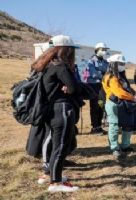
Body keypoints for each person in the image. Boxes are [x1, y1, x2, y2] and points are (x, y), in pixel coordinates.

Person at [31, 35, 81, 192]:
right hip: (62, 111)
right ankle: (56, 183)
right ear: (66, 50)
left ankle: (51, 175)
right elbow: (74, 88)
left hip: (50, 110)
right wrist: (68, 88)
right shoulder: (60, 66)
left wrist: (66, 87)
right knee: (60, 146)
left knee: (54, 143)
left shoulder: (45, 64)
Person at [103, 54, 136, 158]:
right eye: (120, 63)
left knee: (128, 125)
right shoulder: (110, 77)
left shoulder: (120, 75)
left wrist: (134, 92)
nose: (122, 65)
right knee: (114, 126)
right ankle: (114, 148)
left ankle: (125, 146)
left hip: (125, 104)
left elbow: (125, 87)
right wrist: (133, 98)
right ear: (113, 64)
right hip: (113, 104)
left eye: (123, 63)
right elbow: (119, 92)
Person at [87, 42, 110, 134]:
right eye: (103, 50)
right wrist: (103, 74)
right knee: (94, 107)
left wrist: (101, 73)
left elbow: (109, 72)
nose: (104, 51)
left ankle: (99, 126)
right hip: (94, 87)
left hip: (103, 87)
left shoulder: (105, 62)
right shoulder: (91, 61)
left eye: (105, 50)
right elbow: (93, 74)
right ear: (97, 50)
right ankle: (94, 127)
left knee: (101, 106)